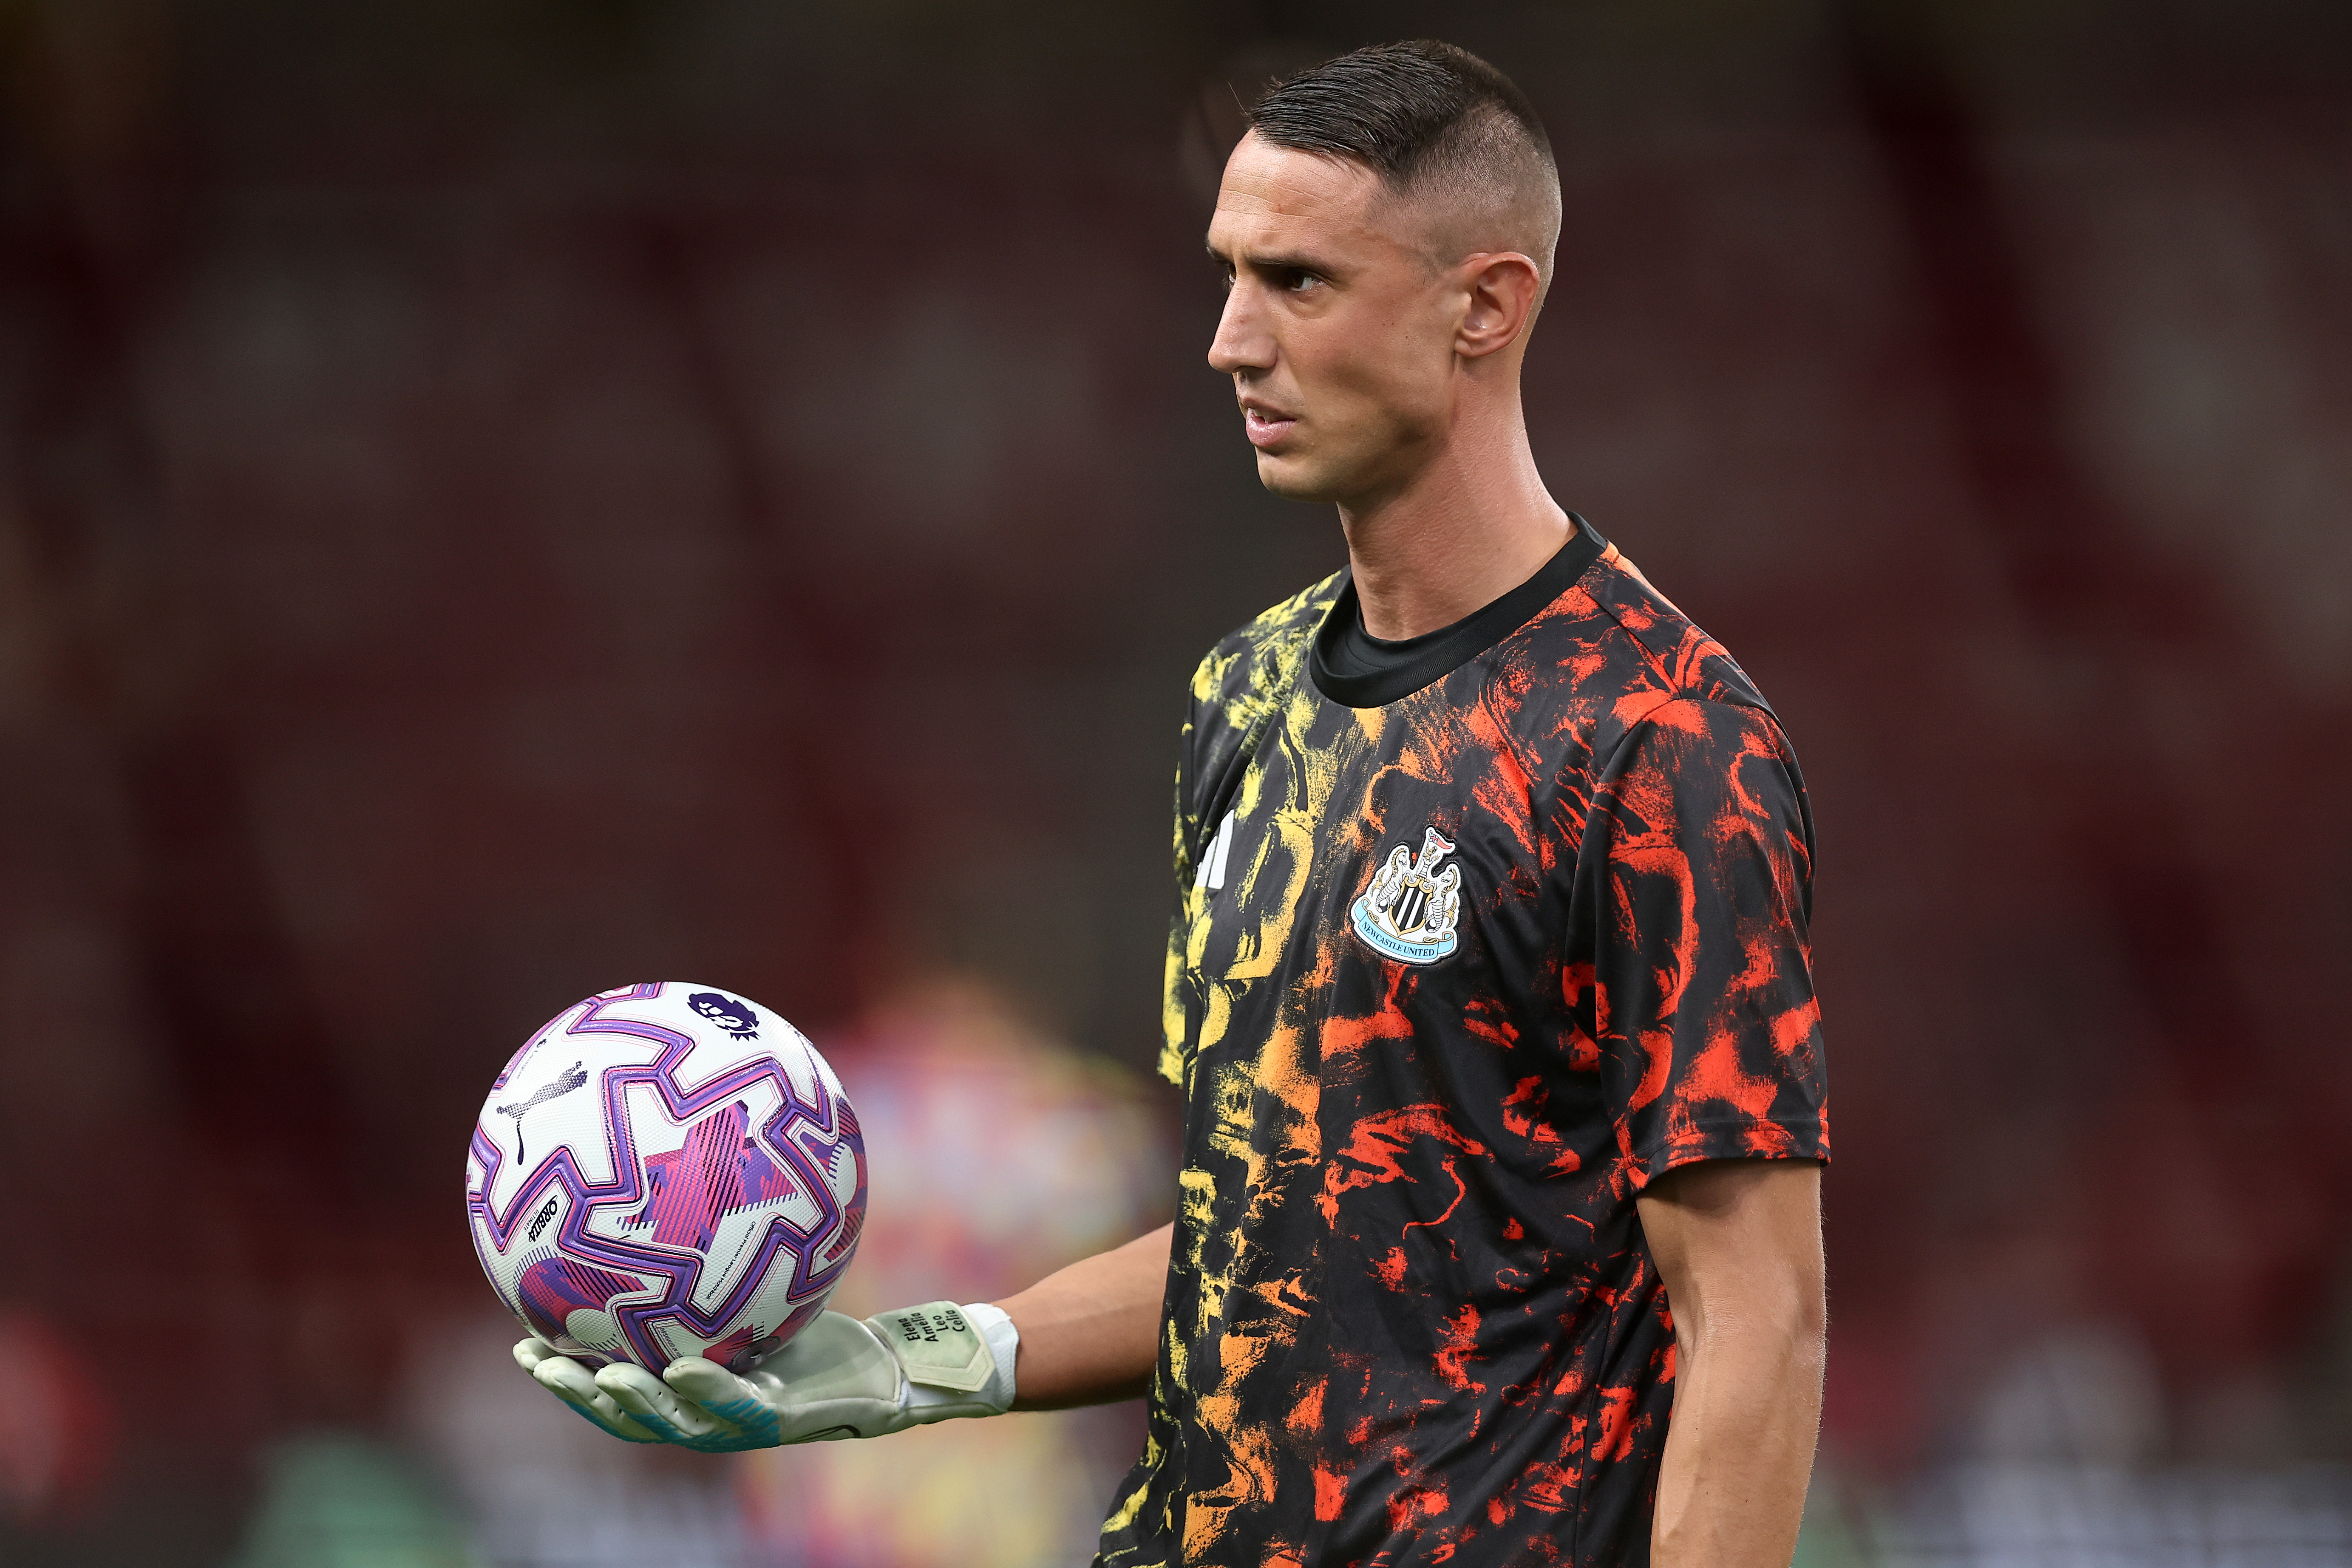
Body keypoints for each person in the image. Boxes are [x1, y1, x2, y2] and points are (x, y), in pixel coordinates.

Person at [516, 39, 1828, 1568]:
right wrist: (915, 1362)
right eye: (1226, 274)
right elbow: (1267, 1227)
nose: (1229, 341)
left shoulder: (1659, 734)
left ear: (1486, 305)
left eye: (1300, 283)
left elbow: (1759, 1318)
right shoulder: (1247, 695)